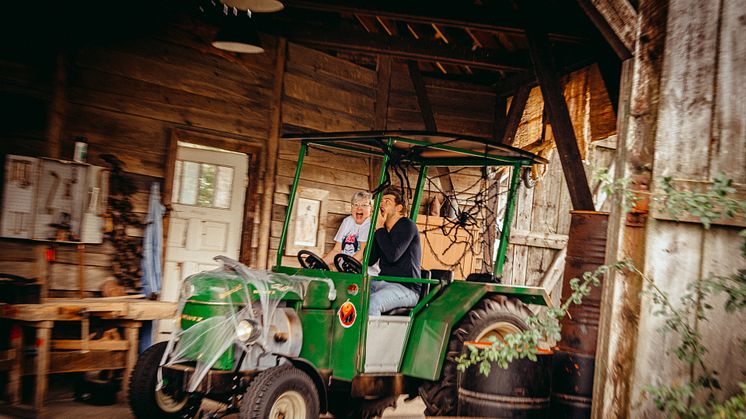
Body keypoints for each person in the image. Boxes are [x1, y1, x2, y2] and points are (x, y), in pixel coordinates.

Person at [368, 187, 422, 316]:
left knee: (373, 303)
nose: (382, 204)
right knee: (351, 297)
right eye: (381, 201)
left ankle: (372, 336)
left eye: (387, 201)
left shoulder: (407, 225)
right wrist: (375, 230)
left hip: (406, 287)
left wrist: (380, 228)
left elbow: (393, 256)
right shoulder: (382, 230)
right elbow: (370, 260)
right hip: (382, 282)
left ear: (399, 208)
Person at [323, 191, 379, 275]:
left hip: (363, 273)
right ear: (351, 207)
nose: (359, 208)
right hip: (345, 270)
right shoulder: (347, 221)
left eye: (364, 205)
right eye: (355, 204)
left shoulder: (369, 224)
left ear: (371, 209)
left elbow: (362, 252)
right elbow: (337, 250)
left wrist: (341, 269)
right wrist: (321, 263)